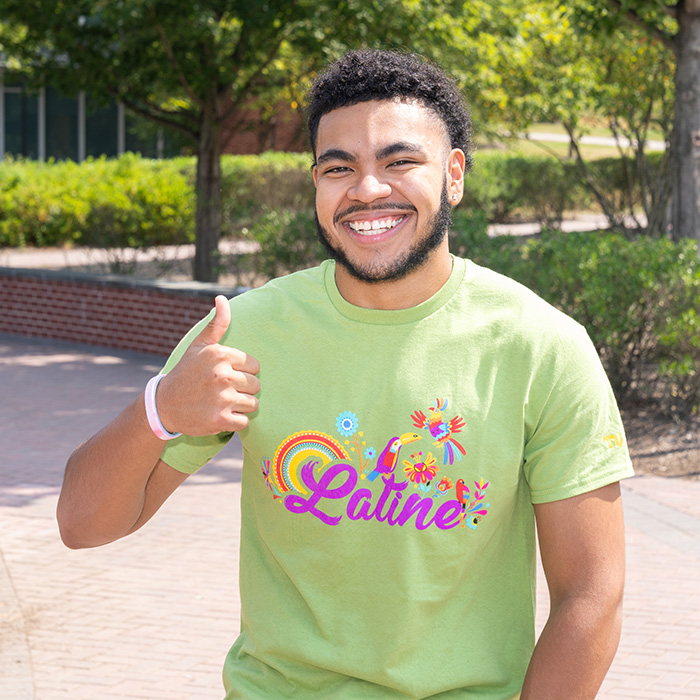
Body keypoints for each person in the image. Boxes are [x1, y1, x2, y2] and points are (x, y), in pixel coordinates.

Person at [58, 49, 634, 700]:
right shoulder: (246, 332)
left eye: (399, 161)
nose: (366, 190)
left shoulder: (542, 347)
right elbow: (84, 524)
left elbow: (591, 595)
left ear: (454, 175)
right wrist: (160, 407)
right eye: (340, 168)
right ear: (316, 186)